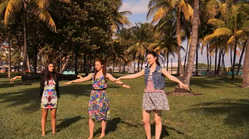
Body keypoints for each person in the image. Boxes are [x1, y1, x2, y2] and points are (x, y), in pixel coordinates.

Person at [117, 51, 189, 139]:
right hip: (147, 95)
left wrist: (179, 82)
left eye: (150, 58)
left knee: (157, 120)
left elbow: (171, 77)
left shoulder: (161, 69)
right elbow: (135, 75)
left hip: (158, 95)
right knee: (145, 120)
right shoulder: (146, 70)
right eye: (147, 58)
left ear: (155, 58)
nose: (148, 60)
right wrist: (122, 77)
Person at [10, 63, 82, 136]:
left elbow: (66, 76)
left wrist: (77, 76)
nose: (52, 67)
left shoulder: (56, 75)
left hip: (54, 98)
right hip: (45, 98)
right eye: (50, 66)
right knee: (44, 115)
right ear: (47, 67)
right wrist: (17, 77)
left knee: (53, 115)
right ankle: (43, 132)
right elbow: (30, 77)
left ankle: (54, 131)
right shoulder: (42, 75)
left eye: (53, 66)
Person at [64, 58, 130, 139]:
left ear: (102, 65)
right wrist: (72, 81)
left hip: (102, 96)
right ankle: (91, 135)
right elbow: (83, 79)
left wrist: (123, 84)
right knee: (91, 115)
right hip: (93, 96)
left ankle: (102, 133)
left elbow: (114, 80)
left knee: (103, 115)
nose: (96, 66)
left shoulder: (106, 75)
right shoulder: (92, 75)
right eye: (95, 65)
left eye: (98, 65)